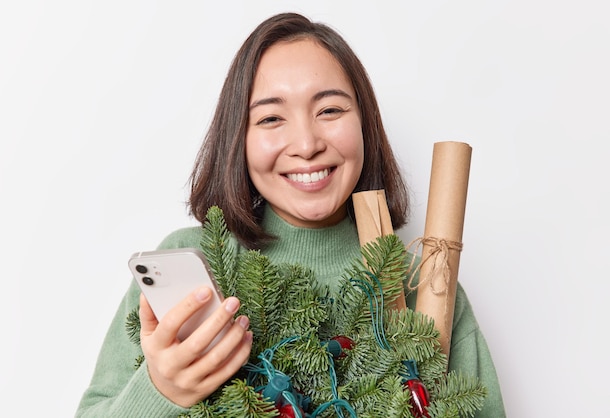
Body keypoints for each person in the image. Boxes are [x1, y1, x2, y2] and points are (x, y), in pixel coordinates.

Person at [76, 12, 506, 417]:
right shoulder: (192, 265)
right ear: (238, 139)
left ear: (365, 124)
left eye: (330, 110)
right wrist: (160, 391)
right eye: (271, 118)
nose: (305, 143)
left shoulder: (423, 283)